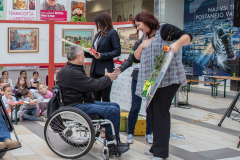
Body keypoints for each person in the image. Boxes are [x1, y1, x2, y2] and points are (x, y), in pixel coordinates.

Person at [133, 11, 192, 160]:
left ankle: (161, 153)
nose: (138, 28)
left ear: (146, 22)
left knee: (160, 113)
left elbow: (187, 36)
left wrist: (176, 44)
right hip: (151, 82)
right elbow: (136, 57)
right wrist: (142, 45)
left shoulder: (164, 30)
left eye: (139, 25)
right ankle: (155, 147)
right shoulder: (145, 37)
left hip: (167, 80)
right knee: (152, 113)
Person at [57, 44, 129, 155]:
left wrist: (106, 78)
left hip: (78, 102)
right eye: (83, 54)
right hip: (76, 106)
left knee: (115, 106)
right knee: (113, 111)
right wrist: (108, 78)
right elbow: (93, 85)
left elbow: (89, 83)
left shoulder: (69, 70)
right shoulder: (72, 72)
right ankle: (111, 145)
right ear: (78, 57)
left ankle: (115, 142)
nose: (84, 56)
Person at [113, 40, 153, 144]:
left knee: (150, 107)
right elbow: (130, 59)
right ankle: (130, 132)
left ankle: (149, 133)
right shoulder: (138, 43)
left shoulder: (156, 41)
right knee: (135, 106)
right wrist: (120, 69)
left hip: (151, 78)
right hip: (137, 77)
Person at [84, 12, 121, 102]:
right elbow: (96, 52)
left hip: (105, 70)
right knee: (95, 97)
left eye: (97, 22)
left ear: (103, 21)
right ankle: (96, 116)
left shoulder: (112, 33)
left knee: (105, 97)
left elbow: (117, 51)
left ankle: (106, 116)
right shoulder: (98, 35)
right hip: (94, 70)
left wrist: (102, 55)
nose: (97, 24)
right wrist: (86, 52)